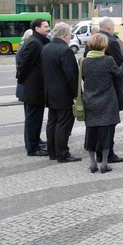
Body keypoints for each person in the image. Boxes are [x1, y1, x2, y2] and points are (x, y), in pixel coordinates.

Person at [82, 33, 123, 173]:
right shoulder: (108, 60)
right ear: (104, 46)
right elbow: (118, 74)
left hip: (90, 100)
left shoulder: (84, 61)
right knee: (106, 131)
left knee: (91, 131)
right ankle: (104, 163)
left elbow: (84, 78)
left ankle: (92, 163)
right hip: (107, 100)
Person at [41, 22, 81, 162]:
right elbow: (72, 75)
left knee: (52, 122)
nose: (70, 38)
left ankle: (52, 152)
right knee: (63, 124)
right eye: (70, 35)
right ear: (65, 35)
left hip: (49, 92)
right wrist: (77, 94)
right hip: (63, 94)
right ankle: (62, 153)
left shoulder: (46, 48)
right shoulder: (65, 50)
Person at [15, 18, 50, 156]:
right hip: (32, 88)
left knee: (35, 118)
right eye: (45, 26)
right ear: (37, 28)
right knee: (33, 118)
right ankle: (32, 147)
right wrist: (22, 80)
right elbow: (24, 65)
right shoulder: (35, 43)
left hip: (34, 88)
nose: (48, 28)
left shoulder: (38, 41)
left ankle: (35, 141)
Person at [98, 17, 123, 163]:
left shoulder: (94, 40)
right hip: (111, 88)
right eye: (113, 27)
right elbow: (118, 65)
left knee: (98, 122)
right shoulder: (112, 41)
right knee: (110, 121)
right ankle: (108, 153)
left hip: (96, 88)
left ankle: (99, 151)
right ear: (109, 27)